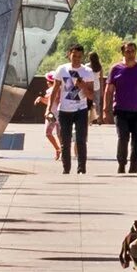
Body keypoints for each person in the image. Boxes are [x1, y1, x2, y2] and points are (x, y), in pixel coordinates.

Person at [47, 43, 95, 174]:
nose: (76, 59)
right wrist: (49, 109)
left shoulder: (87, 72)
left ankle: (81, 168)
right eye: (74, 56)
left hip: (81, 110)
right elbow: (55, 90)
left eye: (79, 56)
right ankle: (66, 168)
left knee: (81, 140)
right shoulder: (62, 69)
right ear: (69, 55)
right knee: (65, 140)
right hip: (65, 110)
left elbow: (91, 95)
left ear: (82, 57)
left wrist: (83, 85)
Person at [105, 41, 137, 174]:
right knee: (123, 138)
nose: (130, 54)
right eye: (128, 51)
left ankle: (134, 167)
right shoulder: (116, 69)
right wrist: (106, 109)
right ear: (123, 53)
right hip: (121, 110)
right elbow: (109, 90)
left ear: (136, 52)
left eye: (133, 51)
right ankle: (121, 164)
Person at [89, 51, 106, 123]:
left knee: (89, 102)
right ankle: (98, 117)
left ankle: (90, 118)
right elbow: (101, 79)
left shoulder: (87, 66)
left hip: (89, 85)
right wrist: (102, 90)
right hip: (97, 86)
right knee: (97, 102)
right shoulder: (99, 67)